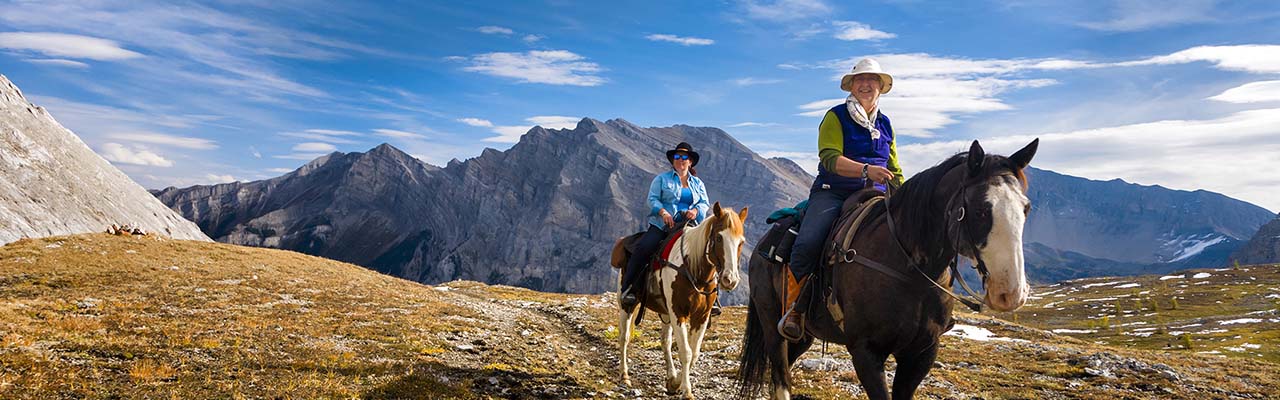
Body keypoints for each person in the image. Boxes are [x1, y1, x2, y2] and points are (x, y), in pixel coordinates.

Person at [778, 58, 906, 341]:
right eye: (860, 80)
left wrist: (907, 196)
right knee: (808, 242)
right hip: (834, 191)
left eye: (872, 80)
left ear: (881, 88)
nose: (866, 84)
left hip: (876, 194)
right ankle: (794, 310)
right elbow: (830, 158)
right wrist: (864, 170)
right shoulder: (835, 117)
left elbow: (894, 168)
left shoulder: (886, 124)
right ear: (852, 85)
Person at [620, 142, 711, 311]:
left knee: (710, 252)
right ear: (673, 160)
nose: (680, 160)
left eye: (684, 157)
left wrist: (696, 210)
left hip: (689, 227)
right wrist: (663, 212)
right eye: (677, 157)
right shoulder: (662, 179)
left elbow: (705, 202)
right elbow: (652, 199)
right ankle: (629, 289)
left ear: (690, 162)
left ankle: (712, 296)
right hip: (663, 225)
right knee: (643, 248)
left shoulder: (698, 183)